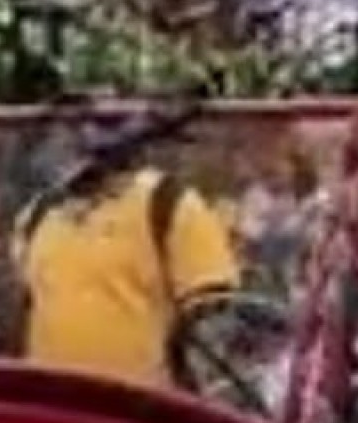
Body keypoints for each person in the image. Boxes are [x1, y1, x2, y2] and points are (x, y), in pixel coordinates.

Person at [15, 114, 240, 393]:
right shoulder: (37, 214)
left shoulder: (169, 204)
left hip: (139, 416)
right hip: (56, 413)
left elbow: (212, 323)